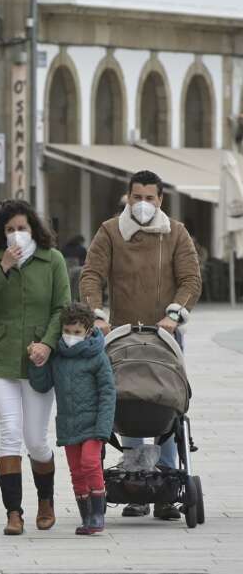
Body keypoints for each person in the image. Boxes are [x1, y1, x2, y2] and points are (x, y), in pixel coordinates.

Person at [79, 169, 201, 521]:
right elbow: (91, 274)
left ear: (160, 200)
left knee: (165, 403)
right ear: (127, 197)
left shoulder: (175, 233)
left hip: (165, 335)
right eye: (137, 197)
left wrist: (175, 314)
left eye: (150, 198)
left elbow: (191, 279)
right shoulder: (110, 231)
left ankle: (164, 487)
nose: (143, 204)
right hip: (121, 335)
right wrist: (97, 314)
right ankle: (135, 486)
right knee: (129, 400)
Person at [0, 199, 70, 536]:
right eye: (10, 229)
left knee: (36, 440)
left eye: (22, 228)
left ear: (33, 229)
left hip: (39, 360)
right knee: (10, 431)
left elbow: (62, 308)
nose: (16, 234)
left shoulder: (52, 260)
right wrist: (3, 269)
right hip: (2, 357)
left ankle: (46, 501)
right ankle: (13, 512)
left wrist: (48, 343)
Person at [29, 302, 116, 536]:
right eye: (67, 331)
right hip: (68, 425)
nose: (70, 336)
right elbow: (42, 384)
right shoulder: (58, 356)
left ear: (88, 331)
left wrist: (104, 428)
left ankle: (98, 514)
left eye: (76, 332)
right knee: (76, 471)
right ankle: (87, 516)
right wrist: (37, 364)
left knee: (90, 463)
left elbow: (108, 392)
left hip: (94, 425)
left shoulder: (98, 357)